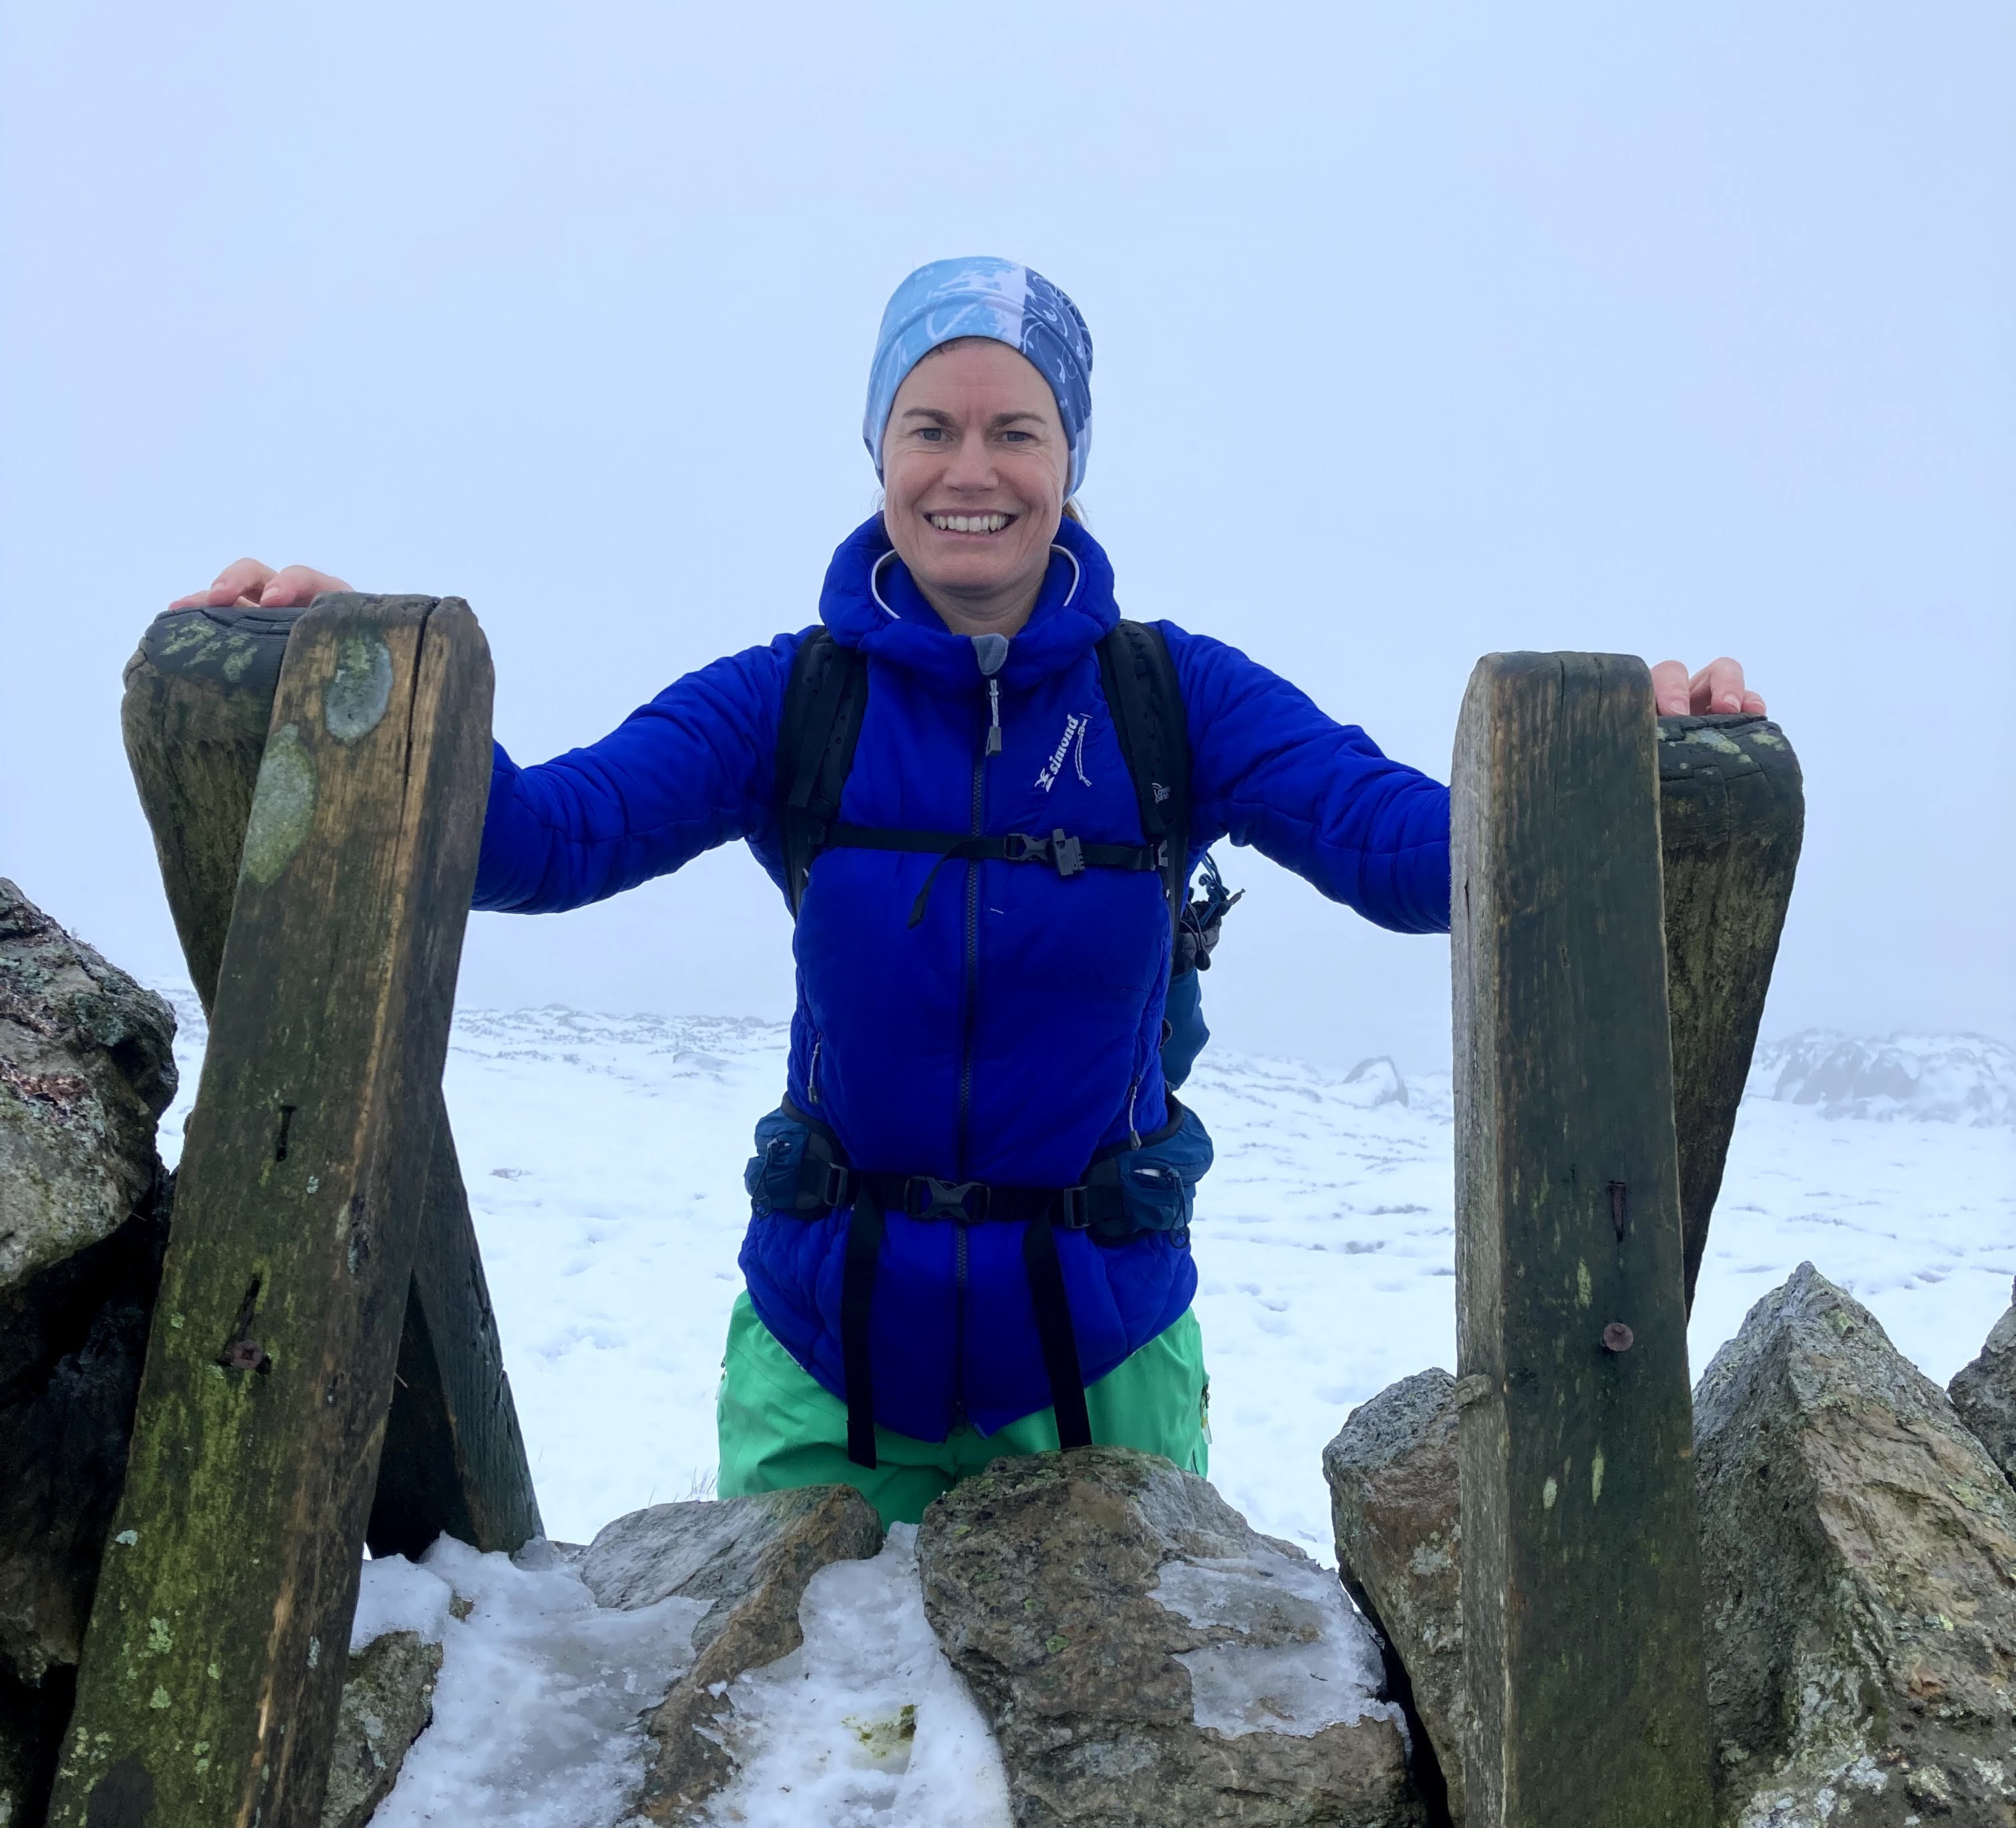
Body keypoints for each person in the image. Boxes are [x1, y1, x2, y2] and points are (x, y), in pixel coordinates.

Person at [172, 255, 1764, 1527]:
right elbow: (542, 839)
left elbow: (1410, 853)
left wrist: (1602, 763)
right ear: (879, 453)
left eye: (1018, 430)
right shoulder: (791, 700)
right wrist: (356, 679)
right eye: (930, 427)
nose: (971, 468)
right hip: (824, 1371)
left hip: (1102, 1371)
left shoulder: (1175, 700)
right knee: (794, 1794)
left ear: (1073, 458)